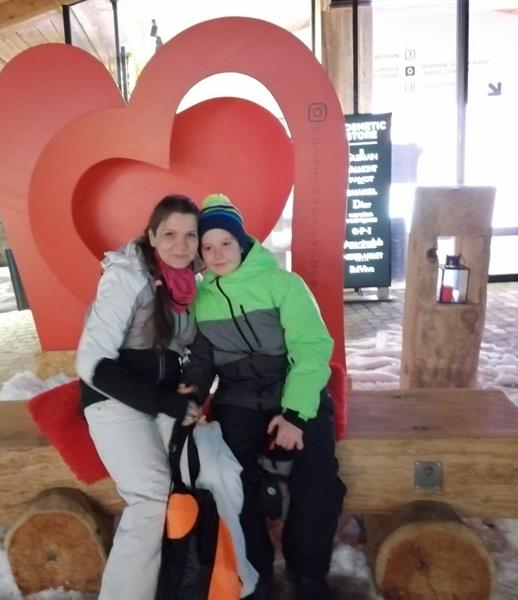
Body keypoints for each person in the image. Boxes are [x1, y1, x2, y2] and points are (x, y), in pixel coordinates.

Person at [75, 194, 258, 600]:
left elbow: (193, 354)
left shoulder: (191, 284)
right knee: (150, 497)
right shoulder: (126, 277)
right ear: (152, 236)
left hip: (160, 400)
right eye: (170, 234)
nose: (182, 244)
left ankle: (226, 583)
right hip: (112, 399)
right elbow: (91, 362)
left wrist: (189, 391)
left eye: (191, 236)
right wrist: (165, 402)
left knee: (213, 471)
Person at [181, 194, 347, 600]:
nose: (217, 254)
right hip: (238, 399)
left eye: (225, 243)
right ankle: (256, 575)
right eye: (207, 247)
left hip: (294, 391)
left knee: (318, 482)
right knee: (233, 483)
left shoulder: (283, 284)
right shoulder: (201, 300)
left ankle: (308, 575)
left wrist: (294, 414)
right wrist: (192, 396)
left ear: (242, 242)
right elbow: (202, 361)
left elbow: (311, 347)